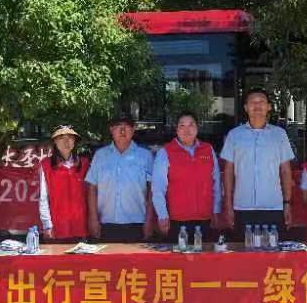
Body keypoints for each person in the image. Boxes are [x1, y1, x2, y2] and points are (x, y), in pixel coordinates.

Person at [221, 87, 295, 238]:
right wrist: (228, 204)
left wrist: (287, 204)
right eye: (252, 102)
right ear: (245, 107)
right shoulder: (234, 135)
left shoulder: (279, 135)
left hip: (273, 206)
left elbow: (285, 171)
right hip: (242, 206)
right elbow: (228, 172)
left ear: (269, 107)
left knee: (272, 250)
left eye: (261, 101)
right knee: (244, 250)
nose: (257, 105)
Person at [152, 112, 222, 243]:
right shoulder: (166, 152)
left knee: (205, 255)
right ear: (176, 130)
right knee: (179, 256)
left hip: (206, 219)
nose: (187, 130)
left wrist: (216, 210)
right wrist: (162, 215)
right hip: (177, 221)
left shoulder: (208, 149)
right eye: (182, 125)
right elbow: (158, 188)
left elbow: (216, 183)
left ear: (197, 128)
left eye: (191, 125)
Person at [85, 115, 154, 242]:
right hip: (106, 223)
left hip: (137, 223)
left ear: (133, 130)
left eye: (127, 126)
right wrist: (93, 218)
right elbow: (92, 187)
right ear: (111, 130)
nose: (122, 130)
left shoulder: (145, 156)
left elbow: (152, 190)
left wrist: (149, 219)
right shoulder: (100, 155)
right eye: (118, 126)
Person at [38, 125, 90, 241]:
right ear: (55, 141)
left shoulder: (84, 164)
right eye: (61, 138)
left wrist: (92, 220)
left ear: (75, 141)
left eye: (70, 138)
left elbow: (91, 196)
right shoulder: (46, 165)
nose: (66, 142)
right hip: (57, 226)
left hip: (81, 225)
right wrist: (47, 224)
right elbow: (43, 197)